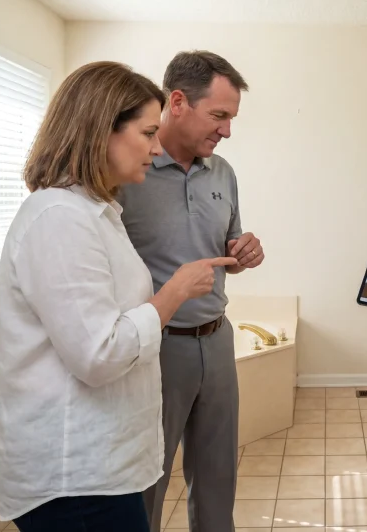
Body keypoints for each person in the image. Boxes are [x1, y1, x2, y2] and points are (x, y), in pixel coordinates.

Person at [0, 61, 236, 532]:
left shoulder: (95, 210)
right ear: (101, 131)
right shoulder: (58, 218)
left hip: (102, 465)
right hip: (76, 478)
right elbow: (100, 353)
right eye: (146, 133)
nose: (155, 145)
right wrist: (174, 293)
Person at [117, 50, 264, 532]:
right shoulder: (127, 172)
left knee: (219, 475)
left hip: (217, 340)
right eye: (219, 115)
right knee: (147, 480)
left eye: (230, 118)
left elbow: (224, 248)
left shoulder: (222, 172)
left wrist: (242, 252)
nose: (226, 131)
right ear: (176, 102)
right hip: (156, 348)